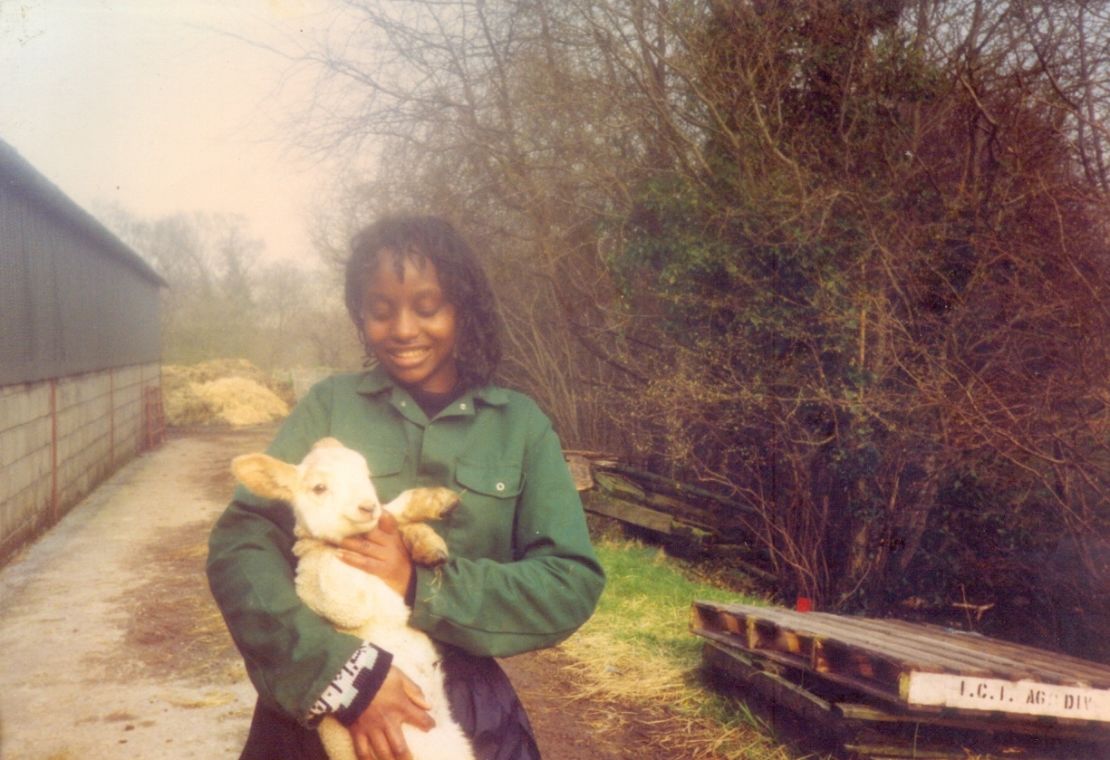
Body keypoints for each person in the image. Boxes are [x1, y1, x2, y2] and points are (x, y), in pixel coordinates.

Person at [206, 214, 605, 760]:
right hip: (319, 697)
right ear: (360, 315)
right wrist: (343, 677)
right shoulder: (330, 406)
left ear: (462, 307)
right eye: (380, 310)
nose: (402, 329)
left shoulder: (519, 425)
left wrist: (420, 585)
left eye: (427, 306)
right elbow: (241, 544)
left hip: (463, 707)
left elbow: (569, 582)